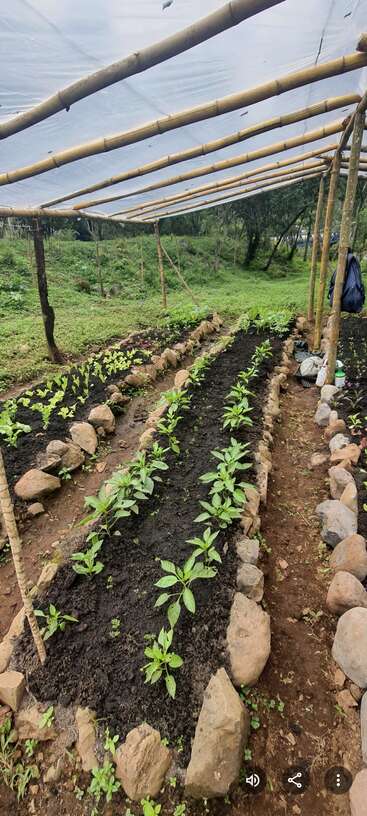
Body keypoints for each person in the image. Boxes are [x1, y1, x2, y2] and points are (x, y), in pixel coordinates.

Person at [328, 247, 365, 313]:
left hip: (346, 298)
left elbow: (334, 279)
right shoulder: (354, 260)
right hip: (355, 298)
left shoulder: (345, 259)